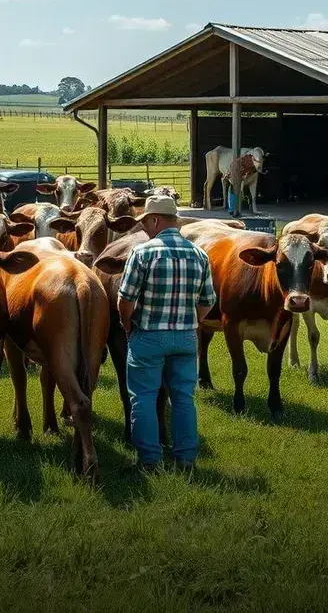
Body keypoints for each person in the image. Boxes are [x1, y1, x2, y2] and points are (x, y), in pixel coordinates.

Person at [117, 195, 216, 471]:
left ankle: (150, 460)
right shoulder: (199, 254)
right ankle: (185, 459)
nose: (144, 228)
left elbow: (125, 299)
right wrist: (193, 320)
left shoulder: (142, 253)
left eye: (145, 222)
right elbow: (208, 300)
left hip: (148, 334)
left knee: (143, 397)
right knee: (184, 398)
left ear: (155, 220)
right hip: (186, 338)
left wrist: (127, 324)